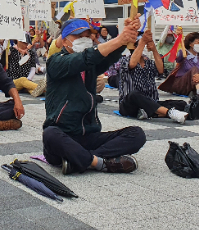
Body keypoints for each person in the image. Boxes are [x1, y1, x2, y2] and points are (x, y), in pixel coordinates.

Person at [42, 18, 146, 175]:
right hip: (63, 136)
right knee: (50, 134)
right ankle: (101, 162)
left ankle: (82, 160)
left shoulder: (91, 65)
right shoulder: (56, 62)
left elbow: (108, 56)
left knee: (137, 134)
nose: (85, 40)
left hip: (89, 137)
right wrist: (119, 39)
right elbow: (85, 58)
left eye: (87, 36)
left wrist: (126, 38)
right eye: (78, 36)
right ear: (64, 41)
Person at [118, 31, 188, 123]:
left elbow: (160, 70)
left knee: (181, 104)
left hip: (151, 101)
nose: (144, 47)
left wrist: (154, 49)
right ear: (135, 47)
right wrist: (142, 42)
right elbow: (132, 64)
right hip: (130, 103)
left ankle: (150, 112)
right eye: (142, 45)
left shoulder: (149, 62)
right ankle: (168, 113)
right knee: (134, 95)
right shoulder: (124, 60)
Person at [158, 32, 199, 99]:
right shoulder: (183, 53)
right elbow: (176, 56)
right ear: (191, 44)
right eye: (198, 42)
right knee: (194, 69)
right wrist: (178, 38)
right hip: (181, 83)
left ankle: (196, 90)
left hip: (193, 83)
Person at [6, 33, 46, 97]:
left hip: (26, 81)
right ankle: (46, 90)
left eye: (27, 43)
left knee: (32, 89)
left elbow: (33, 69)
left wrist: (28, 79)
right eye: (24, 43)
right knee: (23, 80)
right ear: (19, 41)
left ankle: (46, 92)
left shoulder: (30, 53)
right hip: (13, 81)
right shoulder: (11, 51)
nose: (26, 45)